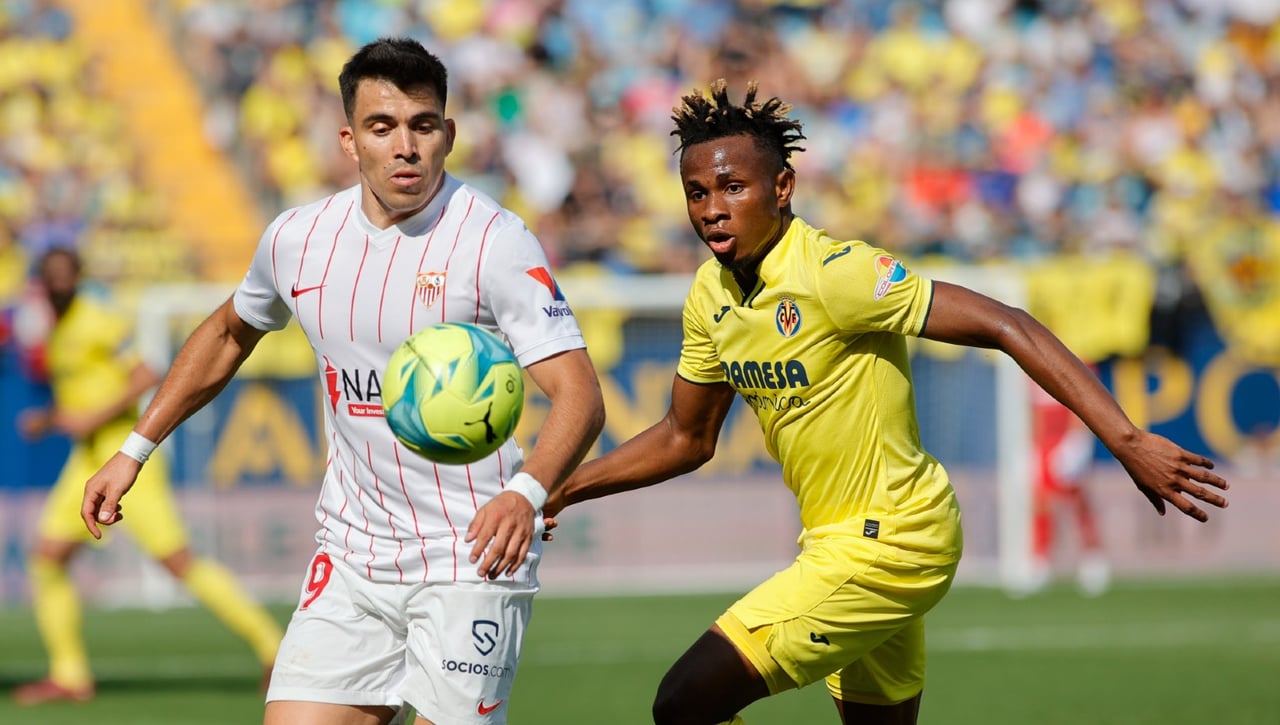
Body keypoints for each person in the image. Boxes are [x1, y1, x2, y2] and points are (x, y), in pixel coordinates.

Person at [543, 80, 1229, 725]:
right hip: (838, 542)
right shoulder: (709, 297)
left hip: (892, 540)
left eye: (732, 187)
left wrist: (1126, 439)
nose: (712, 208)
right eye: (696, 193)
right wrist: (563, 488)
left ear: (782, 187)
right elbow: (684, 437)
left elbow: (1006, 323)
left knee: (682, 702)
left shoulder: (835, 274)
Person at [80, 37, 604, 725]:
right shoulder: (298, 239)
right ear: (349, 141)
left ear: (448, 136)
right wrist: (134, 448)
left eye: (422, 126)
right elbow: (228, 333)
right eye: (382, 127)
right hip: (353, 556)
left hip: (471, 556)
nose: (405, 147)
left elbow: (580, 394)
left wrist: (525, 493)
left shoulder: (494, 241)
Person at [13, 247, 283, 706]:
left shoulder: (98, 320)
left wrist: (92, 417)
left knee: (177, 561)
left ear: (77, 277)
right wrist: (52, 418)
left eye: (65, 275)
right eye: (51, 276)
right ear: (42, 281)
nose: (59, 283)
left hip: (123, 454)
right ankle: (70, 675)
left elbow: (144, 375)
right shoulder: (56, 332)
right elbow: (87, 391)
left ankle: (274, 647)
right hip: (86, 457)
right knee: (47, 557)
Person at [1028, 379, 1110, 596]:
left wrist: (1077, 439)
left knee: (1077, 498)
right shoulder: (1027, 372)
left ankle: (1093, 557)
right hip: (1043, 443)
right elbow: (1031, 408)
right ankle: (1040, 560)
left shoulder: (1080, 363)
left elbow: (1082, 400)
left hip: (1067, 438)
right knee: (1041, 501)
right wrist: (1031, 445)